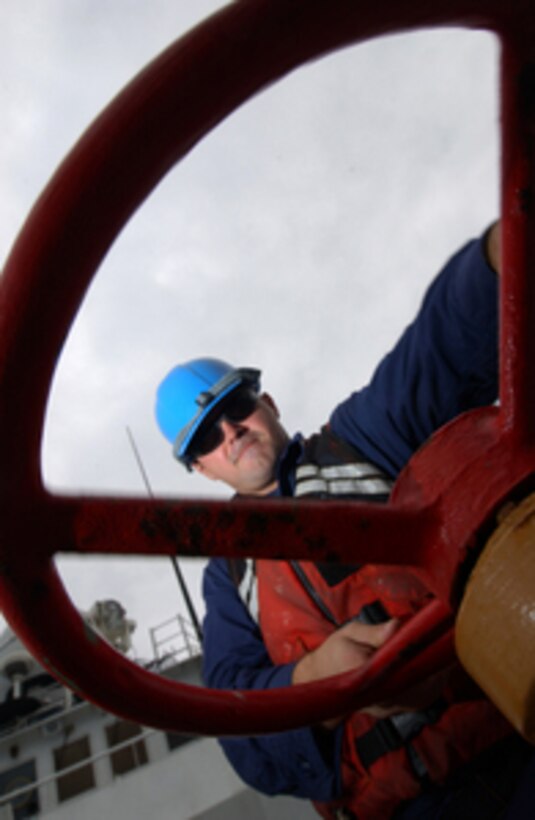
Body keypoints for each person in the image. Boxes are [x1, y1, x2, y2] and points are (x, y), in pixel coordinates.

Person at [154, 224, 532, 819]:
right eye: (207, 436)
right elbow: (244, 738)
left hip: (516, 739)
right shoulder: (229, 581)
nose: (230, 433)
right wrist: (318, 680)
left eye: (235, 408)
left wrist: (504, 248)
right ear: (201, 468)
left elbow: (441, 348)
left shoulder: (362, 439)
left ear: (268, 405)